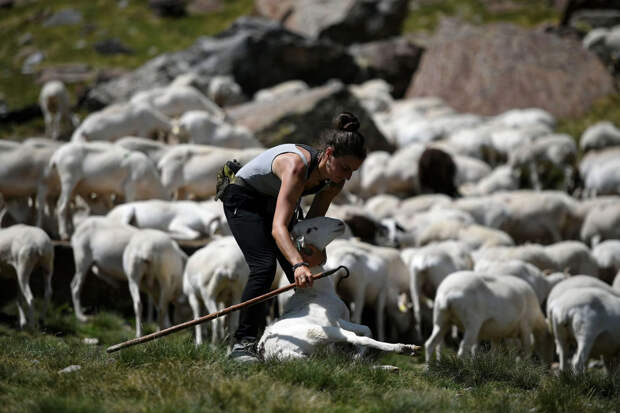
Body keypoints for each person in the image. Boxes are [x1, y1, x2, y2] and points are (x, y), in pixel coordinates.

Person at [220, 111, 367, 362]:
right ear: (329, 154)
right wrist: (299, 263)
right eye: (345, 168)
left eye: (353, 171)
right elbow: (279, 228)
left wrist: (311, 254)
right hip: (244, 200)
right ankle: (242, 343)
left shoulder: (334, 181)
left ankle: (323, 342)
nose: (348, 176)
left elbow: (307, 229)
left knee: (310, 277)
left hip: (273, 203)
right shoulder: (296, 167)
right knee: (264, 267)